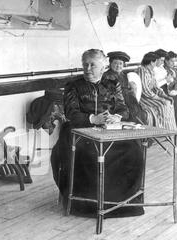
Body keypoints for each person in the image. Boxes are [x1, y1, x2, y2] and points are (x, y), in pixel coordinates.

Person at [51, 49, 144, 217]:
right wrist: (93, 119)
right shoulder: (73, 85)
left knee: (134, 150)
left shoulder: (112, 83)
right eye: (85, 64)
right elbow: (71, 113)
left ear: (103, 67)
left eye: (92, 65)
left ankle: (123, 203)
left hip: (108, 131)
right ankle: (84, 204)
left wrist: (116, 117)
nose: (87, 68)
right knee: (86, 155)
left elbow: (123, 109)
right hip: (79, 131)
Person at [103, 51, 148, 124]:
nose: (118, 66)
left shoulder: (123, 75)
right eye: (115, 63)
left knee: (140, 114)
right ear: (110, 64)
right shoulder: (107, 76)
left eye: (120, 63)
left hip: (127, 103)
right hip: (116, 105)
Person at [137, 52, 177, 131]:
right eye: (156, 61)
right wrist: (159, 98)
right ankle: (160, 131)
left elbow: (156, 87)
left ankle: (170, 131)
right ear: (151, 62)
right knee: (162, 105)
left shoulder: (151, 71)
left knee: (169, 102)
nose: (157, 63)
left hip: (151, 96)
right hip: (143, 98)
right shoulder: (141, 70)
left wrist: (165, 96)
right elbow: (145, 90)